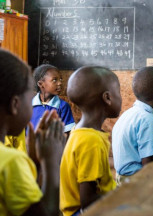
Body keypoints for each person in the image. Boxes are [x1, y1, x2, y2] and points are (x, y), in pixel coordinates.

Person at [0, 48, 65, 216]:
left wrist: (35, 163)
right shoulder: (11, 162)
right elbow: (45, 213)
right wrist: (50, 164)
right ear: (15, 105)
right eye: (29, 99)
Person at [60, 66, 121, 216]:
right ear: (107, 98)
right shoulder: (90, 141)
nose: (121, 97)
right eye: (118, 92)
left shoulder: (81, 132)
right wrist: (123, 195)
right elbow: (88, 201)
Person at [112, 66, 153, 185]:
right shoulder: (148, 120)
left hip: (121, 176)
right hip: (135, 180)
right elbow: (149, 167)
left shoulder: (129, 113)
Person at [31, 64, 75, 133]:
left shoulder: (63, 106)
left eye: (60, 79)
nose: (60, 83)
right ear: (40, 84)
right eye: (54, 80)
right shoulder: (29, 106)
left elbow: (68, 133)